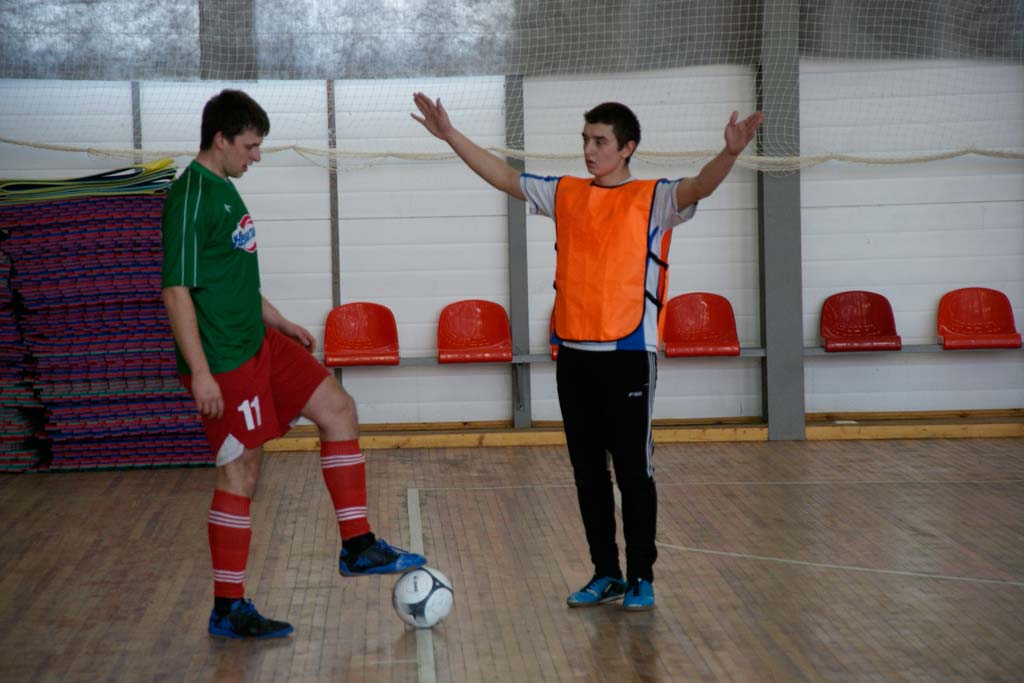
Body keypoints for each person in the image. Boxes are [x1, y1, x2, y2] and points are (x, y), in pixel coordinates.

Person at [412, 91, 761, 611]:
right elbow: (504, 177)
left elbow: (700, 185)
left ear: (627, 148)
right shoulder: (566, 193)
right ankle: (606, 573)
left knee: (634, 471)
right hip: (573, 353)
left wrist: (730, 153)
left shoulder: (654, 198)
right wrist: (450, 135)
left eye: (599, 141)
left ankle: (641, 576)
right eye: (585, 140)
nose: (589, 150)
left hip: (628, 352)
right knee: (588, 473)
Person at [161, 89, 426, 640]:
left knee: (337, 408)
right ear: (220, 140)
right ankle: (228, 607)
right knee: (241, 473)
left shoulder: (226, 188)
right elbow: (177, 291)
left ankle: (358, 546)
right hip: (225, 359)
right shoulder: (190, 197)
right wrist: (202, 373)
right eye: (250, 146)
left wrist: (278, 321)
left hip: (259, 340)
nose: (256, 156)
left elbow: (230, 278)